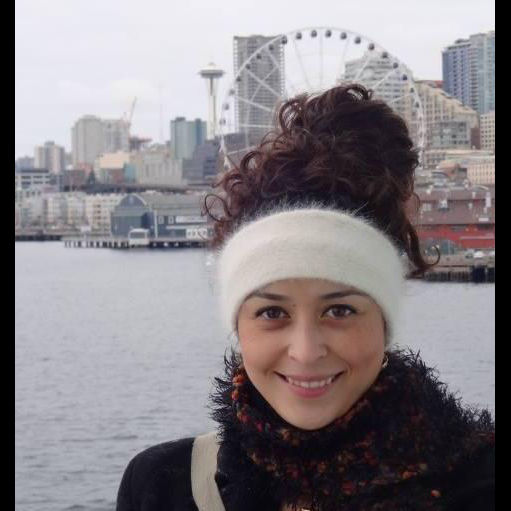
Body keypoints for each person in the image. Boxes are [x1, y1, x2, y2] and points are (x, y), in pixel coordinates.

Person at [116, 84, 494, 511]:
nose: (306, 351)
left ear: (384, 321)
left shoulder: (479, 485)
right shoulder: (161, 487)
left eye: (339, 310)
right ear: (236, 323)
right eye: (272, 312)